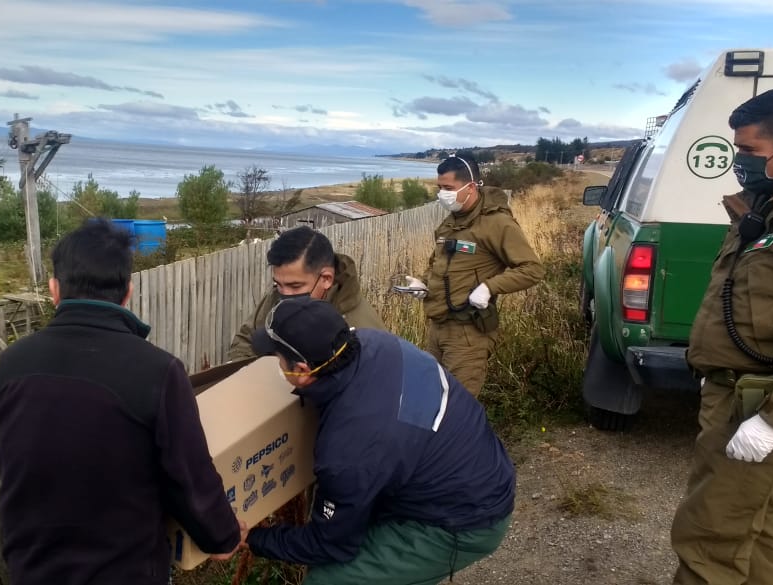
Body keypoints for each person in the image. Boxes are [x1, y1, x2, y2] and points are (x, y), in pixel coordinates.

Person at [0, 219, 242, 585]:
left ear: (54, 290)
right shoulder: (157, 370)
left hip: (33, 570)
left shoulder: (12, 365)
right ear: (128, 292)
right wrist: (223, 536)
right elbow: (189, 476)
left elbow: (9, 458)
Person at [243, 296, 515, 585]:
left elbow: (330, 544)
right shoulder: (374, 342)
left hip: (462, 519)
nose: (275, 363)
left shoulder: (347, 450)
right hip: (477, 471)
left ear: (301, 371)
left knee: (328, 581)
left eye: (277, 357)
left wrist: (254, 538)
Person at [671, 86, 773, 585]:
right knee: (753, 530)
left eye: (751, 152)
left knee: (708, 540)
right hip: (731, 392)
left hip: (759, 404)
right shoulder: (766, 211)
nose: (738, 163)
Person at [401, 154, 544, 396]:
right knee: (430, 399)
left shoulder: (497, 223)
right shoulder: (450, 223)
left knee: (459, 408)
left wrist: (490, 287)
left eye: (448, 188)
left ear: (471, 186)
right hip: (438, 328)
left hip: (468, 334)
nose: (442, 194)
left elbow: (532, 269)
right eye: (439, 188)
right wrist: (423, 283)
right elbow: (438, 263)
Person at [228, 225, 385, 362]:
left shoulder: (362, 333)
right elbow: (245, 341)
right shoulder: (277, 297)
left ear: (326, 279)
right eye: (278, 284)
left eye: (295, 286)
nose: (285, 294)